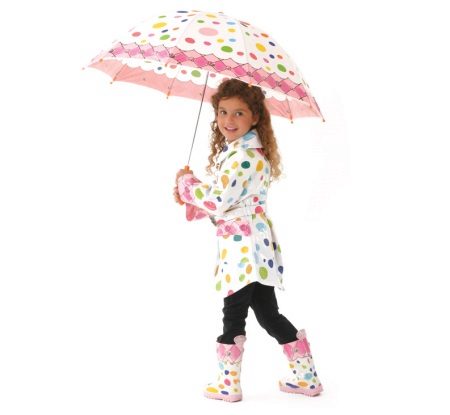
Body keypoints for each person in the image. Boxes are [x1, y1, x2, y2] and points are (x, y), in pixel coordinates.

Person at [174, 78, 323, 402]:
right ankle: (306, 377)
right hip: (253, 248)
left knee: (233, 314)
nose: (228, 120)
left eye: (239, 113)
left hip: (244, 251)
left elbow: (219, 201)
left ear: (255, 117)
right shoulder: (243, 153)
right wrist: (192, 195)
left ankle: (228, 384)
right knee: (268, 315)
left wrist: (188, 186)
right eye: (223, 111)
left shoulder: (244, 157)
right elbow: (229, 206)